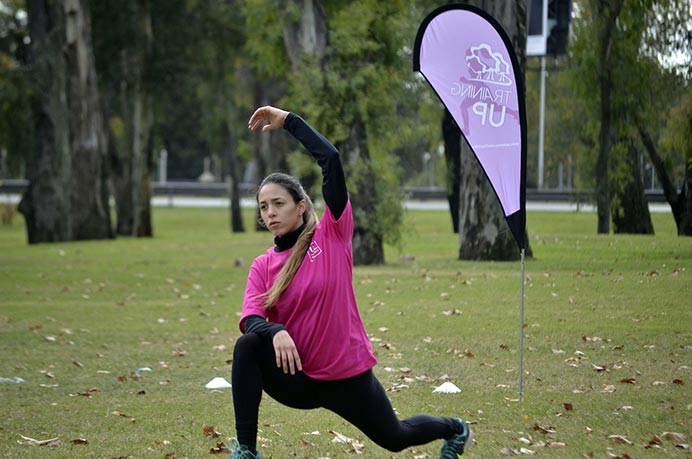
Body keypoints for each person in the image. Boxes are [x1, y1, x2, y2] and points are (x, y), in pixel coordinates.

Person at [230, 105, 473, 459]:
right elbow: (251, 318)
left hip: (346, 376)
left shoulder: (332, 235)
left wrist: (289, 122)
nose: (270, 213)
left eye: (278, 204)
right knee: (248, 347)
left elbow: (330, 159)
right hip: (297, 377)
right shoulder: (263, 265)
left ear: (300, 206)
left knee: (396, 437)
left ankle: (454, 429)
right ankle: (246, 452)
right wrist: (275, 331)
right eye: (264, 207)